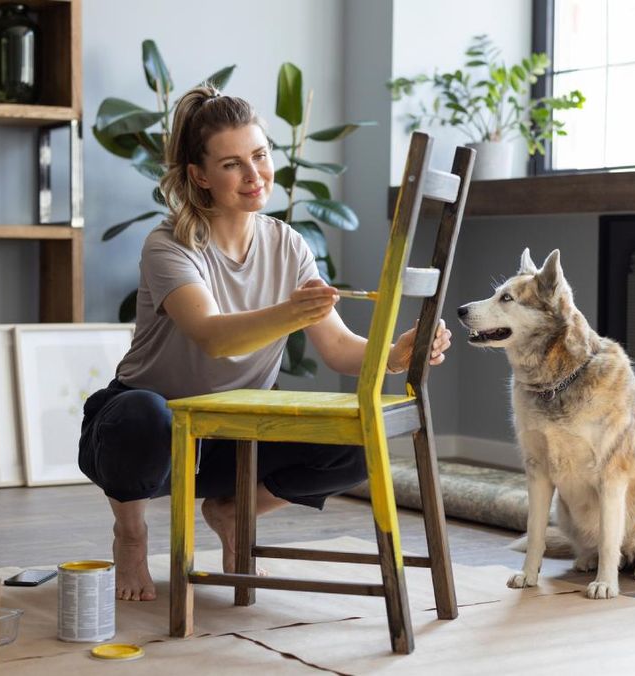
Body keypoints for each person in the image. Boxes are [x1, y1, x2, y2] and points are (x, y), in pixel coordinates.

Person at [78, 84, 453, 602]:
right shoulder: (168, 245)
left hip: (235, 435)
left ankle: (232, 511)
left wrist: (395, 353)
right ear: (200, 175)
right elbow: (212, 337)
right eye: (232, 164)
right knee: (145, 417)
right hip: (149, 433)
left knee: (359, 441)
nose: (254, 175)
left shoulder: (287, 244)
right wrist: (289, 311)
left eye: (259, 155)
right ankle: (132, 533)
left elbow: (339, 347)